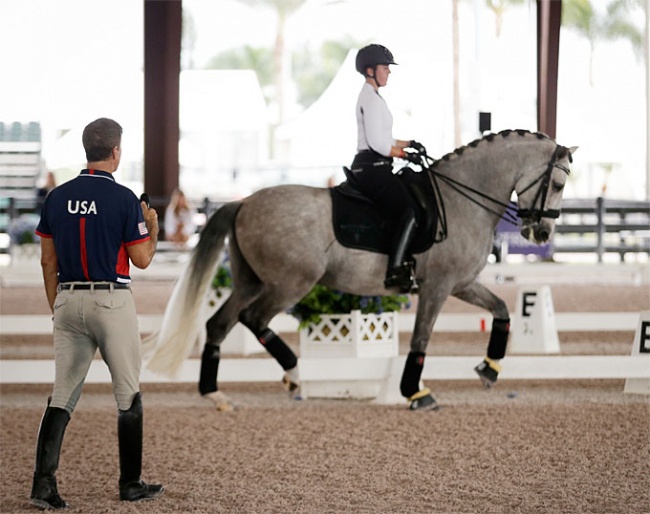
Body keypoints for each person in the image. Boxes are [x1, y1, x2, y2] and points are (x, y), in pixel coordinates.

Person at [31, 118, 164, 509]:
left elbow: (46, 261)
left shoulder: (56, 197)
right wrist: (152, 227)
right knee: (128, 395)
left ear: (87, 150)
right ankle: (130, 483)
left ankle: (43, 484)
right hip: (111, 300)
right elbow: (140, 259)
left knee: (62, 395)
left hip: (69, 299)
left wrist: (57, 306)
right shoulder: (124, 199)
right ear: (116, 152)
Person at [350, 44, 426, 293]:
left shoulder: (373, 97)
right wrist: (406, 155)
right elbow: (380, 145)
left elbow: (386, 138)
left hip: (376, 165)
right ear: (370, 70)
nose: (389, 73)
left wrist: (409, 144)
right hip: (372, 168)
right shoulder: (370, 99)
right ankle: (395, 270)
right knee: (409, 211)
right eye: (385, 68)